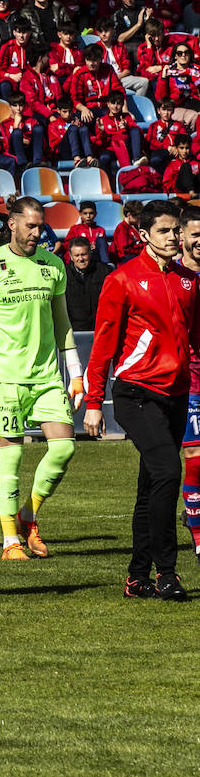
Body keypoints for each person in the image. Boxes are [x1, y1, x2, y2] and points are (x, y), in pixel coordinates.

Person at [0, 197, 83, 560]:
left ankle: (28, 515)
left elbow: (62, 323)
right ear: (11, 224)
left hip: (46, 376)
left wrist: (75, 373)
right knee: (11, 457)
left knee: (64, 448)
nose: (36, 233)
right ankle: (10, 539)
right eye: (30, 226)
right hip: (4, 376)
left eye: (40, 226)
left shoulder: (53, 265)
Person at [85, 200, 197, 600]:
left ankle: (137, 577)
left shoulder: (189, 280)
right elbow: (102, 345)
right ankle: (168, 572)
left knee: (151, 484)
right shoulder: (122, 279)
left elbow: (195, 340)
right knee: (168, 471)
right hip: (134, 392)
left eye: (175, 230)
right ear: (143, 234)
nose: (173, 237)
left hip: (176, 393)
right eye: (164, 231)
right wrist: (94, 401)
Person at [177, 207, 200, 563]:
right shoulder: (173, 274)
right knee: (195, 454)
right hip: (188, 377)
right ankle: (198, 536)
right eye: (195, 233)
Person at [64, 236, 112, 333]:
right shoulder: (63, 274)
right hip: (74, 330)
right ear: (71, 256)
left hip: (100, 329)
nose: (80, 259)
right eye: (77, 255)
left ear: (90, 253)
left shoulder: (105, 271)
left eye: (84, 254)